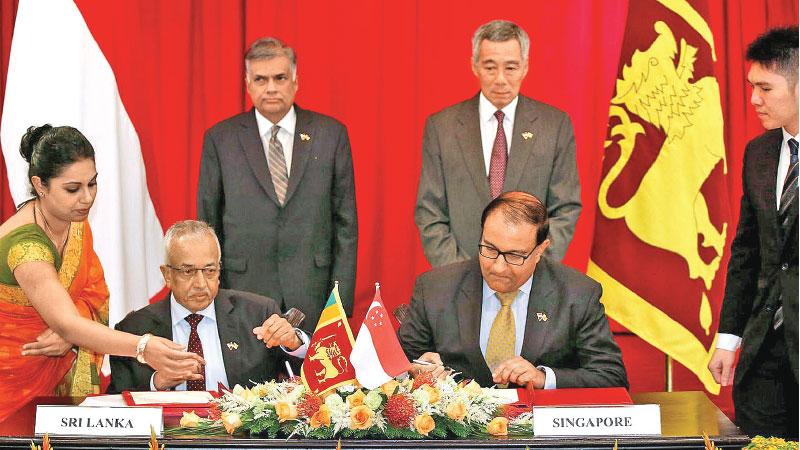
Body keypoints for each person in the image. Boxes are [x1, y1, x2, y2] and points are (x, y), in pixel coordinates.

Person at [0, 125, 204, 423]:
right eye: (73, 189)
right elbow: (67, 323)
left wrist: (71, 333)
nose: (86, 198)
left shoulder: (72, 220)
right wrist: (142, 347)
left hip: (57, 379)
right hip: (11, 384)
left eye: (92, 184)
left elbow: (92, 293)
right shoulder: (26, 246)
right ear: (39, 185)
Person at [197, 37, 357, 330]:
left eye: (280, 78)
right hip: (242, 295)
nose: (271, 87)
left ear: (295, 81)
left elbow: (346, 228)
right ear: (247, 84)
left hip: (314, 293)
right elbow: (208, 227)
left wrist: (340, 306)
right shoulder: (220, 139)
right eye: (260, 79)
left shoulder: (330, 134)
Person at [399, 191, 627, 389]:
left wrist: (542, 378)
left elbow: (611, 375)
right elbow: (395, 367)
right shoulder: (435, 289)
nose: (497, 266)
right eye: (489, 249)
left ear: (540, 250)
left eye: (514, 255)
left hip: (539, 434)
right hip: (458, 432)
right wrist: (415, 369)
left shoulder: (577, 294)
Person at [415, 20, 580, 268]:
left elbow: (565, 209)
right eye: (490, 67)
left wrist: (525, 267)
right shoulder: (442, 127)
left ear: (525, 66)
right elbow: (430, 212)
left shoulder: (554, 126)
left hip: (530, 280)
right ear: (474, 66)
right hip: (459, 281)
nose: (500, 79)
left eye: (511, 67)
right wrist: (460, 274)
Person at [708, 27, 798, 440]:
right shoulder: (758, 152)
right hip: (766, 350)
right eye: (751, 86)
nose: (754, 99)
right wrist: (729, 337)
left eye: (765, 87)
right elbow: (747, 252)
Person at [109, 220, 309, 392]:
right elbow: (118, 400)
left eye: (209, 270)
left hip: (243, 435)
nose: (201, 283)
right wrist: (157, 383)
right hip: (167, 436)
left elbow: (314, 377)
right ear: (167, 275)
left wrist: (295, 343)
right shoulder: (134, 330)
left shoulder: (258, 313)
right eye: (188, 271)